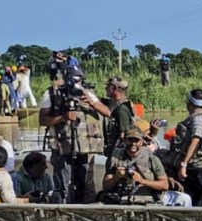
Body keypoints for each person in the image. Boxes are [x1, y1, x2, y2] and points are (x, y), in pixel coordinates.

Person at [39, 53, 111, 203]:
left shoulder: (86, 93)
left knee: (82, 185)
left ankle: (78, 208)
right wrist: (63, 118)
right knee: (63, 187)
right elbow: (42, 120)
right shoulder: (52, 93)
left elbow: (108, 112)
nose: (77, 84)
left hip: (83, 147)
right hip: (61, 146)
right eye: (74, 80)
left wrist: (91, 102)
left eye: (80, 80)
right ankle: (61, 209)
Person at [103, 128, 192, 206]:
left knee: (185, 199)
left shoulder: (152, 158)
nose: (133, 143)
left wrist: (141, 180)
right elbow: (106, 186)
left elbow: (164, 185)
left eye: (136, 140)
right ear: (125, 140)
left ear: (141, 141)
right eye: (130, 140)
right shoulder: (115, 158)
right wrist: (116, 177)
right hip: (123, 198)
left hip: (150, 197)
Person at [172, 88, 202, 206]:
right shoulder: (195, 118)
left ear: (190, 102)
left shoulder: (199, 119)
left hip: (200, 165)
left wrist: (184, 164)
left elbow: (196, 141)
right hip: (192, 166)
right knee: (192, 197)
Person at [103, 76, 135, 155]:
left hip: (118, 151)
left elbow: (123, 136)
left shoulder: (121, 109)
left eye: (108, 87)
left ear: (114, 88)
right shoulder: (114, 103)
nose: (105, 89)